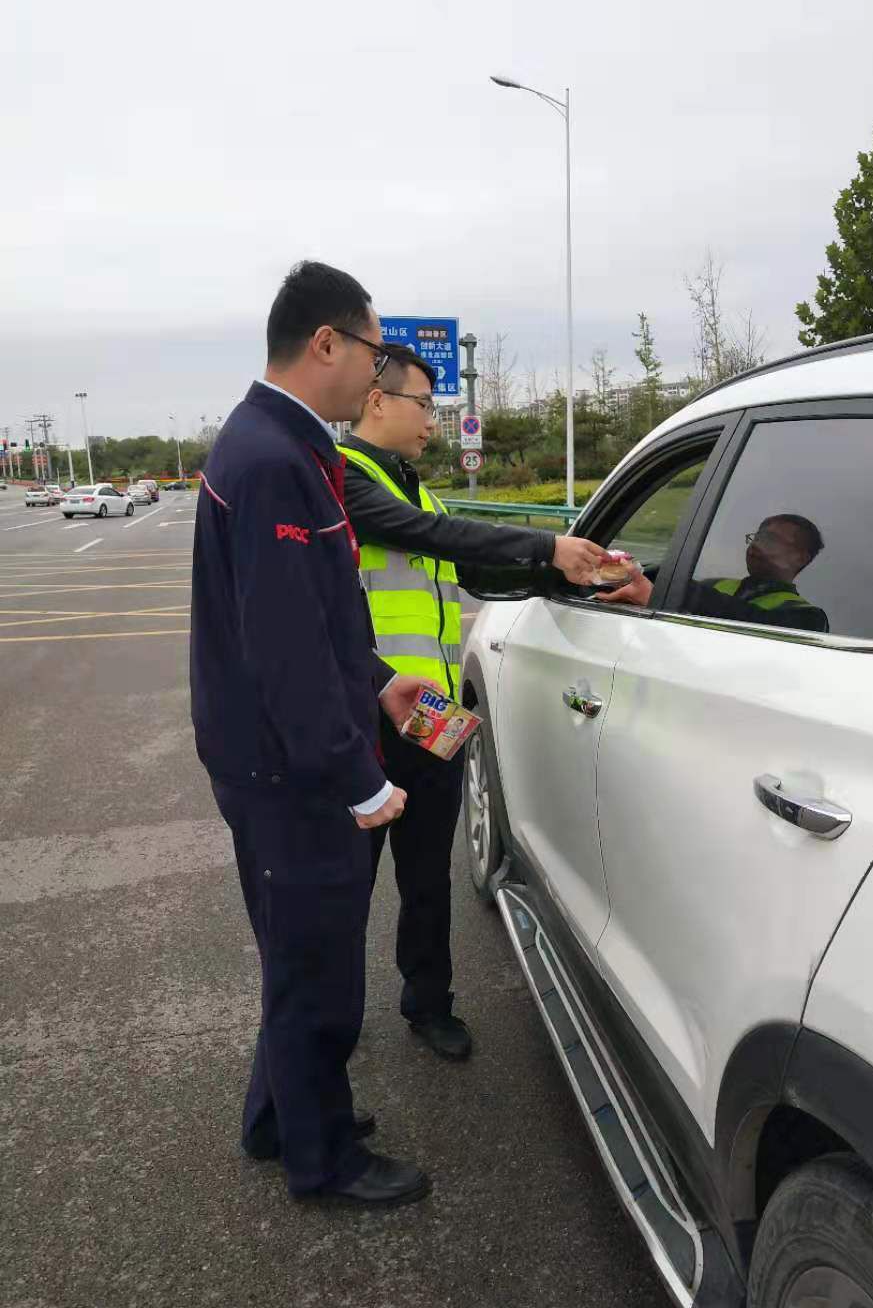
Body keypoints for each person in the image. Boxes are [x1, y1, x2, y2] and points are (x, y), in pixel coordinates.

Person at [190, 261, 437, 1209]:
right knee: (318, 968)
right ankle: (323, 1158)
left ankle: (278, 1117)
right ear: (326, 343)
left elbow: (320, 617)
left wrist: (376, 683)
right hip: (290, 771)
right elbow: (286, 647)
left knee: (296, 953)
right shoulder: (272, 460)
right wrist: (356, 777)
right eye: (372, 351)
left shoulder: (281, 445)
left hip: (274, 759)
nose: (377, 375)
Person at [338, 343, 606, 1060]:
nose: (434, 420)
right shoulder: (343, 479)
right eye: (425, 405)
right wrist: (545, 545)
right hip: (366, 715)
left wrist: (570, 580)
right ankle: (332, 1022)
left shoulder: (418, 492)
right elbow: (427, 534)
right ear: (377, 401)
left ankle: (429, 1003)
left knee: (429, 873)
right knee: (346, 884)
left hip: (432, 717)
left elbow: (471, 569)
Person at [598, 513, 828, 632]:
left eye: (770, 540)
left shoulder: (809, 617)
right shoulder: (716, 584)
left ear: (800, 557)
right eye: (757, 537)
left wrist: (668, 592)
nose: (756, 545)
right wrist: (628, 573)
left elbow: (757, 622)